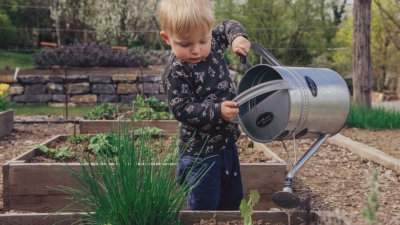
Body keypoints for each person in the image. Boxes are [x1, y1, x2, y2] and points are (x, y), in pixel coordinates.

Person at [157, 0, 251, 210]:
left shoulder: (215, 42)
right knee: (204, 206)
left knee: (232, 201)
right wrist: (217, 111)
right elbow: (181, 108)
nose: (196, 50)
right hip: (200, 153)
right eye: (185, 44)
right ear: (167, 38)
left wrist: (237, 38)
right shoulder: (176, 71)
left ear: (209, 31)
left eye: (203, 40)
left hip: (227, 145)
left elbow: (228, 25)